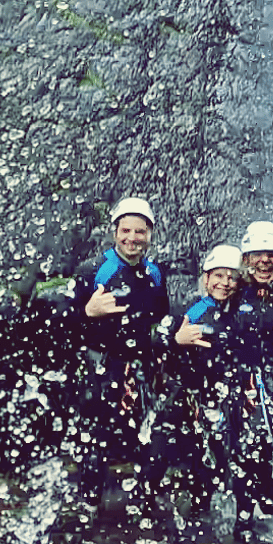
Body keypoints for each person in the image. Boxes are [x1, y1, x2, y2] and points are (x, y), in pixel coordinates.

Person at [69, 197, 169, 505]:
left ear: (150, 235)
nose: (132, 238)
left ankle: (143, 499)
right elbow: (60, 325)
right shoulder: (94, 270)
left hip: (138, 368)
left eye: (140, 232)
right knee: (97, 441)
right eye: (126, 230)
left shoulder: (154, 274)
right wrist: (86, 311)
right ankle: (89, 507)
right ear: (115, 232)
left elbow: (160, 319)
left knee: (155, 435)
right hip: (101, 365)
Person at [138, 243, 243, 537]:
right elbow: (153, 341)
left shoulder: (239, 312)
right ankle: (143, 512)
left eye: (231, 277)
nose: (224, 283)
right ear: (206, 278)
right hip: (179, 394)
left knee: (207, 462)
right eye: (218, 276)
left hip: (215, 399)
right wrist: (176, 340)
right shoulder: (188, 310)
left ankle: (201, 520)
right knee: (157, 455)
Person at [233, 220, 273, 532]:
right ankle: (269, 508)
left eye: (271, 254)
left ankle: (244, 525)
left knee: (252, 445)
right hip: (239, 382)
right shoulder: (234, 295)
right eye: (258, 254)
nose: (265, 261)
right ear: (246, 260)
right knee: (249, 450)